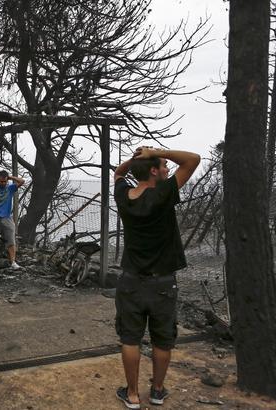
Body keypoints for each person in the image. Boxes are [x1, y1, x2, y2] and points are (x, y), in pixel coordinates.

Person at [113, 146, 200, 409]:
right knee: (162, 339)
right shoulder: (164, 193)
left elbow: (118, 173)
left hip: (130, 281)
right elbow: (193, 159)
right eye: (163, 166)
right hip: (163, 282)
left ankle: (132, 395)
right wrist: (155, 150)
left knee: (130, 338)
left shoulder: (123, 195)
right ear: (153, 171)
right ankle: (157, 391)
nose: (167, 169)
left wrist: (135, 159)